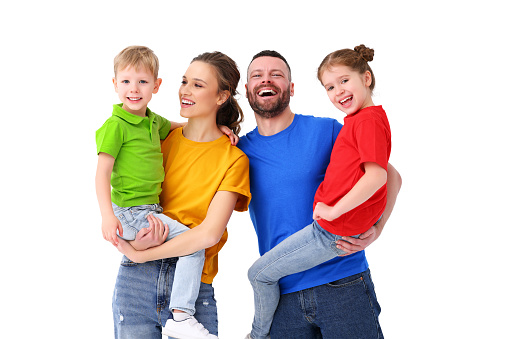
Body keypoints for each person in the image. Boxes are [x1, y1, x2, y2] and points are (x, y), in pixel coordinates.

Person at [238, 49, 402, 339]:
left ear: (291, 87)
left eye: (277, 74)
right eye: (257, 75)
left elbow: (389, 176)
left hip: (344, 282)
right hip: (283, 294)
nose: (267, 80)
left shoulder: (326, 130)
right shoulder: (238, 152)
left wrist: (377, 227)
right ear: (248, 90)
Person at [112, 51, 251, 339]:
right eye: (184, 81)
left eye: (198, 85)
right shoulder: (158, 138)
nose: (185, 91)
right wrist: (135, 245)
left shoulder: (233, 159)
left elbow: (207, 235)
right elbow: (126, 200)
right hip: (137, 283)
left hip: (192, 289)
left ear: (221, 97)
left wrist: (140, 254)